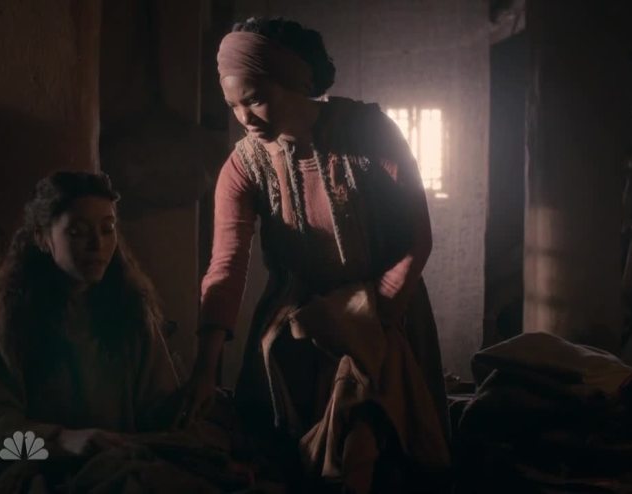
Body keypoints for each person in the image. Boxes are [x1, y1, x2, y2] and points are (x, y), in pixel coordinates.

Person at [181, 17, 452, 492]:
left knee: (373, 445)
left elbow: (417, 239)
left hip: (384, 309)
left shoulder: (368, 132)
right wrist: (205, 369)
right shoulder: (244, 165)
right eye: (233, 105)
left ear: (298, 83)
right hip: (297, 321)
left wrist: (371, 320)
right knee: (287, 462)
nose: (245, 117)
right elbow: (226, 266)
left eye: (255, 99)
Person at [0, 171, 181, 491]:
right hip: (43, 472)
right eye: (77, 231)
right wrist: (61, 442)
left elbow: (161, 411)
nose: (98, 245)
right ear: (43, 238)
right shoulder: (11, 318)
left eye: (107, 229)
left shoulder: (132, 311)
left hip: (122, 469)